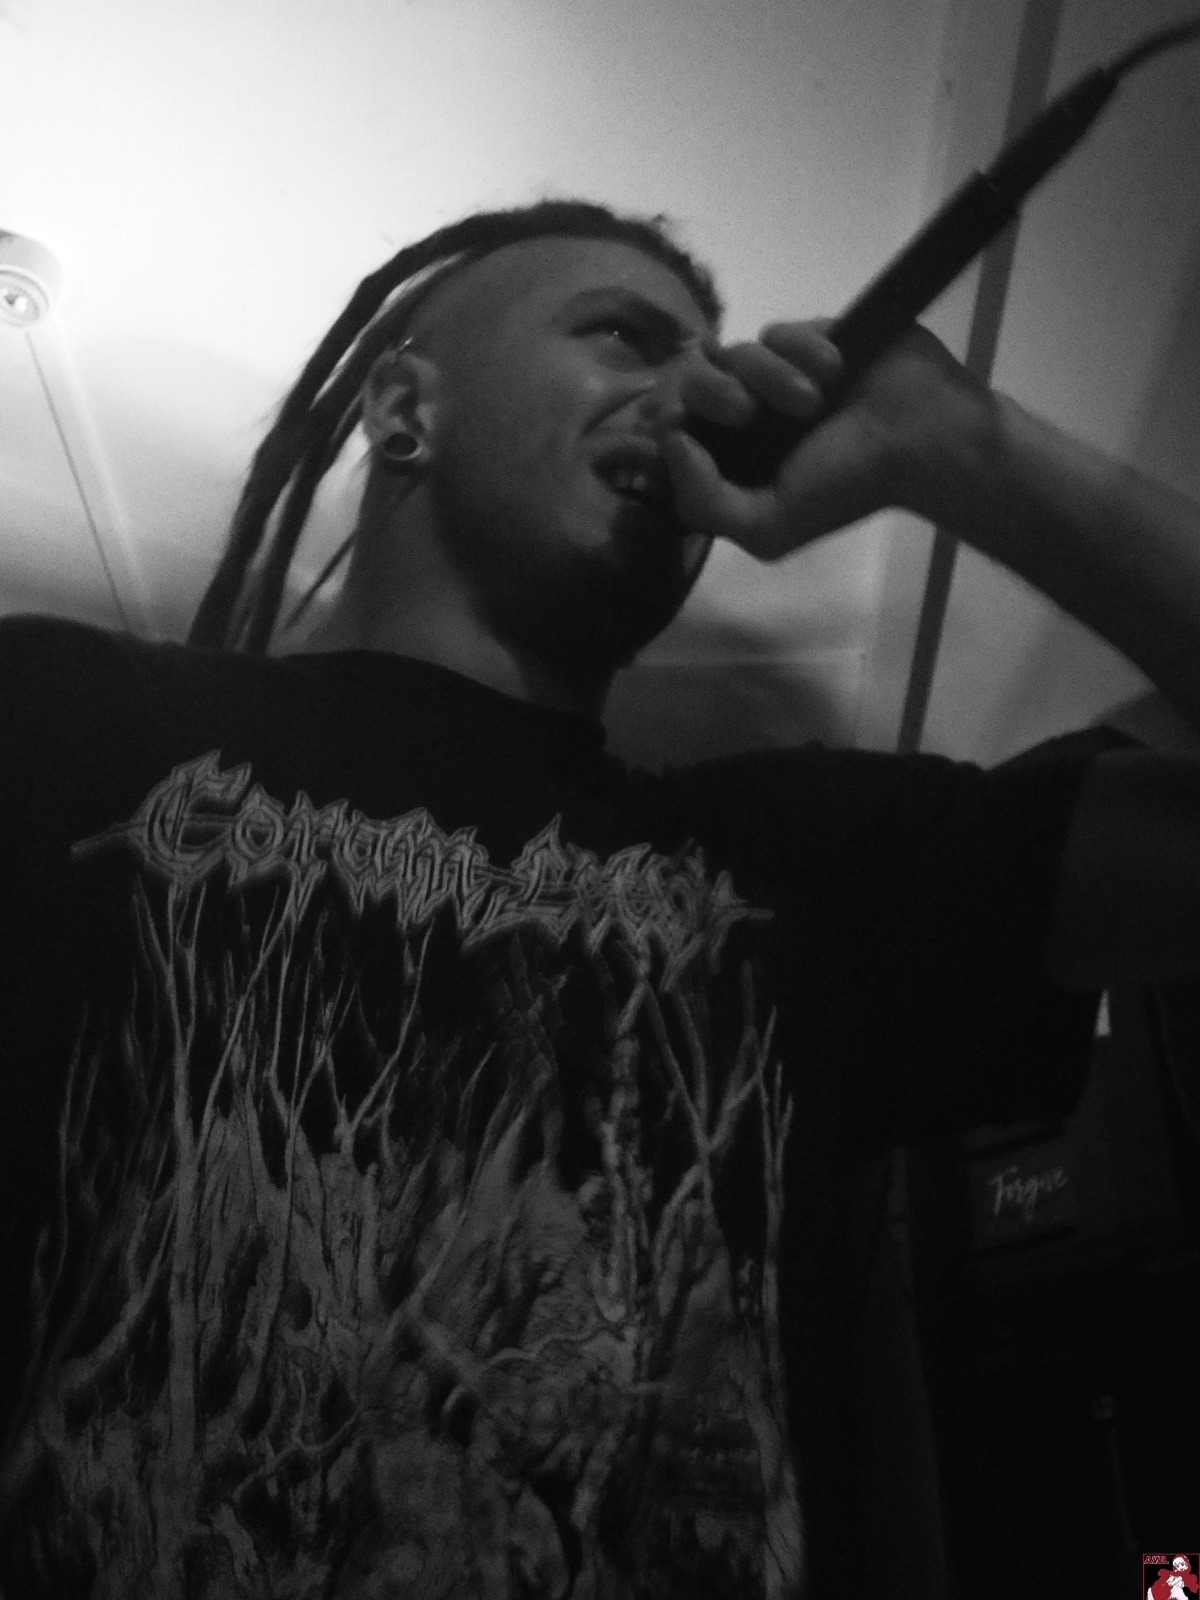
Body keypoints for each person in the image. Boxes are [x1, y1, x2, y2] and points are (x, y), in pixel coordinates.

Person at [0, 198, 1197, 1600]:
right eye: (624, 338)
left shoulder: (805, 869)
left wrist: (966, 454)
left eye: (707, 362)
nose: (693, 394)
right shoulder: (63, 721)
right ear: (404, 410)